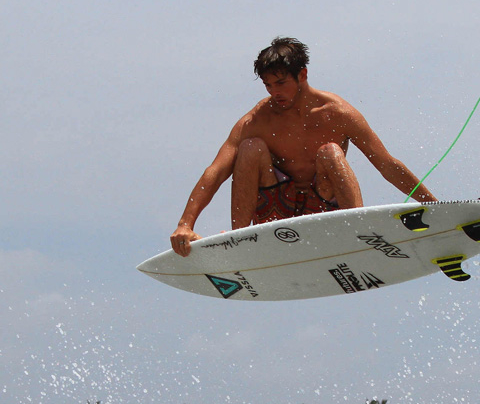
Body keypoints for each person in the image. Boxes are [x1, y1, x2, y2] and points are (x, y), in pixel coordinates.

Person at [170, 37, 438, 257]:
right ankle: (242, 243)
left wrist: (434, 206)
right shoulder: (258, 120)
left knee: (330, 152)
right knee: (250, 148)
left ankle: (357, 233)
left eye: (281, 83)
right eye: (268, 85)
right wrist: (185, 224)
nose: (274, 92)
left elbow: (386, 164)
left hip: (326, 208)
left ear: (303, 75)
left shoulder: (337, 113)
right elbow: (216, 171)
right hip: (275, 213)